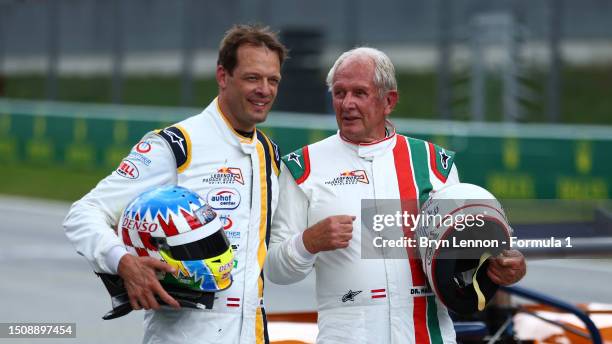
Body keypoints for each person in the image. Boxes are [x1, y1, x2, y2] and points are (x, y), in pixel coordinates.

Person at [264, 47, 526, 343]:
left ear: (389, 101)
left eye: (359, 93)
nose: (347, 103)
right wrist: (308, 242)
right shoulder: (303, 168)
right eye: (339, 93)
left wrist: (503, 267)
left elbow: (465, 261)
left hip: (428, 335)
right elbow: (275, 269)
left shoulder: (433, 165)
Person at [64, 24, 287, 343]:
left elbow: (272, 254)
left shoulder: (269, 153)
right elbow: (83, 214)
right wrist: (124, 262)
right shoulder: (176, 144)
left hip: (252, 330)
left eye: (273, 80)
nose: (264, 89)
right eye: (253, 77)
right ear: (223, 76)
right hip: (183, 332)